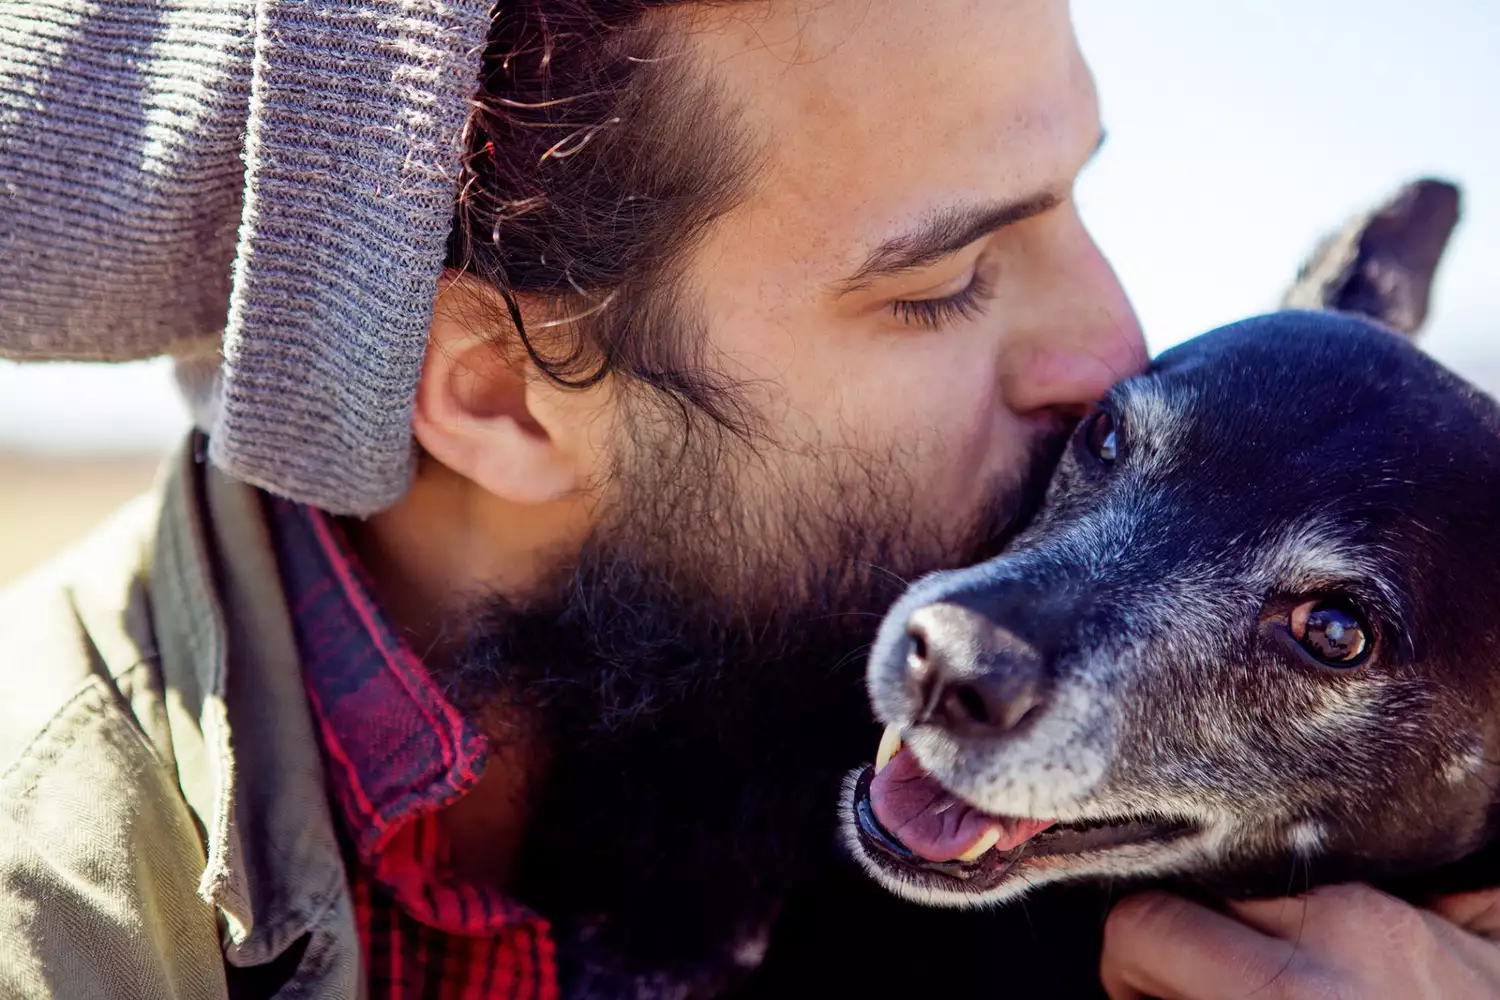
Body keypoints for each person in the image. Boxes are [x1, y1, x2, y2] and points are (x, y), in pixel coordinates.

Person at [0, 1, 1496, 997]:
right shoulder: (71, 920)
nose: (1116, 351)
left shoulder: (817, 659)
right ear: (502, 396)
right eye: (944, 280)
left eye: (1078, 199)